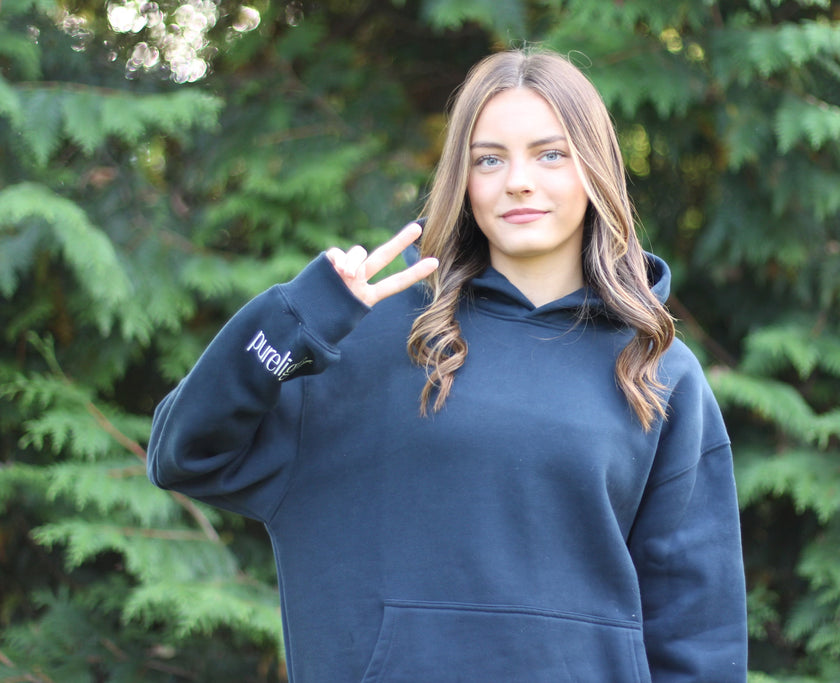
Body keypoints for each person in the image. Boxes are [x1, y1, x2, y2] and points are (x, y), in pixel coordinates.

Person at [148, 48, 747, 682]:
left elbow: (697, 631)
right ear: (461, 180)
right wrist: (296, 321)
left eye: (550, 154)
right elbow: (186, 453)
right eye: (489, 159)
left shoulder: (656, 370)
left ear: (594, 170)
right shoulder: (367, 345)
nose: (517, 180)